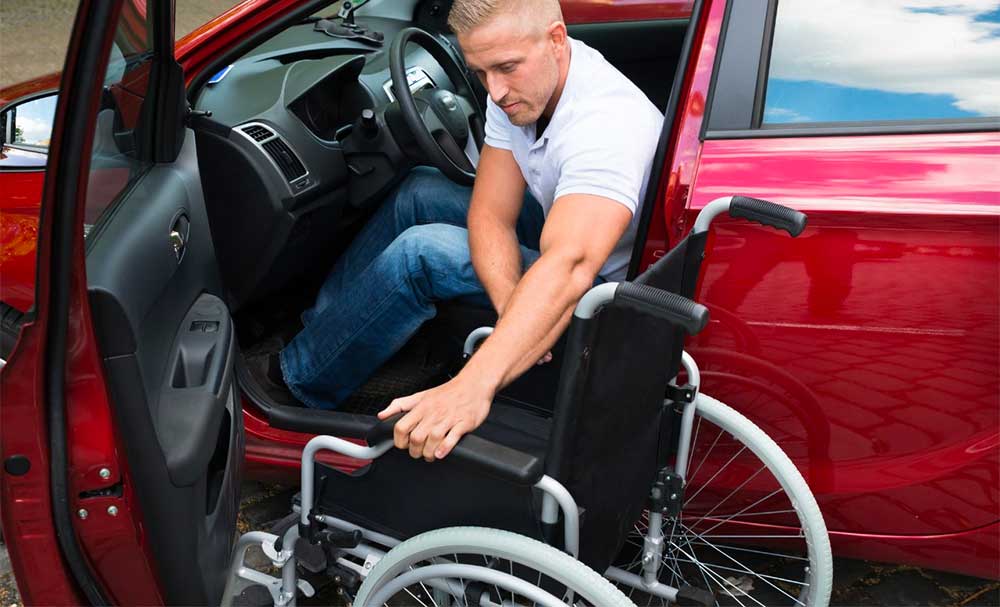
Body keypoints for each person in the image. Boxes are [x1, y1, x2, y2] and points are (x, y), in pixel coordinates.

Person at [278, 0, 663, 462]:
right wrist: (509, 303)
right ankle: (325, 332)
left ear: (557, 40)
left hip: (602, 290)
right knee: (419, 191)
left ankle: (299, 385)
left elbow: (570, 265)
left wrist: (472, 386)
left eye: (505, 69)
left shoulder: (604, 128)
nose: (495, 91)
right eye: (480, 73)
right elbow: (490, 213)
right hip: (560, 234)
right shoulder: (522, 82)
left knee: (421, 252)